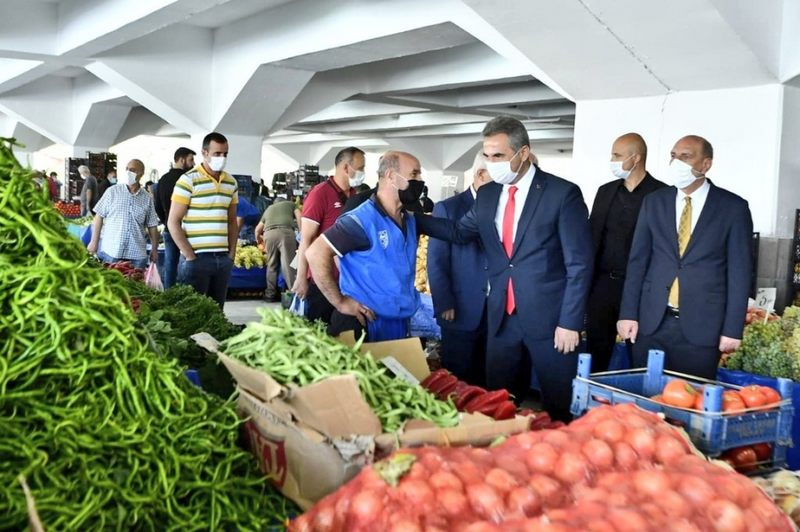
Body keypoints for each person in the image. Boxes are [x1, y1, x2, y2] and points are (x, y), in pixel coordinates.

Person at [417, 116, 593, 421]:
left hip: (551, 323)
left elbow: (579, 264)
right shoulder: (488, 195)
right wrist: (410, 218)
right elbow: (459, 232)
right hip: (502, 320)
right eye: (486, 155)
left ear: (523, 153)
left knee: (558, 404)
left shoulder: (561, 194)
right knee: (500, 401)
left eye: (498, 156)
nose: (491, 162)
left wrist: (570, 322)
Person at [617, 135, 753, 379]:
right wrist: (628, 313)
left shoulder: (732, 208)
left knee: (690, 402)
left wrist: (733, 329)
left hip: (702, 327)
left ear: (706, 164)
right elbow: (638, 262)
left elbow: (740, 273)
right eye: (673, 156)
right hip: (651, 322)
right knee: (645, 401)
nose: (676, 162)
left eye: (686, 156)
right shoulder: (654, 202)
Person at [306, 151, 427, 341]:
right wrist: (340, 302)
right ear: (391, 176)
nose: (420, 180)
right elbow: (315, 252)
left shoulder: (408, 218)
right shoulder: (361, 220)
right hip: (364, 321)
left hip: (397, 320)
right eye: (414, 174)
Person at [586, 133, 667, 372]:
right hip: (602, 286)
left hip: (641, 289)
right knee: (596, 352)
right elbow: (592, 237)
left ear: (636, 157)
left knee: (638, 353)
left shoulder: (661, 195)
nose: (612, 160)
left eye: (617, 155)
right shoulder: (605, 192)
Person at [427, 150, 491, 385]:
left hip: (494, 310)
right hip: (460, 308)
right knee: (458, 378)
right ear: (481, 175)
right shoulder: (449, 208)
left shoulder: (502, 207)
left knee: (487, 377)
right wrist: (444, 301)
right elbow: (437, 260)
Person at [292, 147, 362, 323]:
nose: (363, 173)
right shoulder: (320, 193)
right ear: (346, 168)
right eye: (360, 168)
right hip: (321, 280)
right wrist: (301, 278)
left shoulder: (354, 196)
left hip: (346, 282)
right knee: (318, 330)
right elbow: (306, 239)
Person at [168, 133, 238, 309]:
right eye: (217, 154)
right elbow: (173, 222)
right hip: (197, 259)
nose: (221, 158)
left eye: (225, 154)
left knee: (216, 313)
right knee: (193, 314)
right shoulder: (188, 180)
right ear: (204, 153)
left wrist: (231, 255)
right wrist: (189, 255)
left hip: (222, 260)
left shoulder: (231, 183)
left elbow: (232, 222)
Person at [87, 159, 159, 269]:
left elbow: (152, 226)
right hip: (112, 250)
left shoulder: (147, 198)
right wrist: (94, 242)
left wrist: (154, 249)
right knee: (110, 284)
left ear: (141, 173)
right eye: (127, 169)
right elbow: (99, 216)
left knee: (135, 285)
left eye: (132, 170)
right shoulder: (112, 192)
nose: (128, 172)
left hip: (136, 254)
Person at [154, 147, 196, 289]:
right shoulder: (188, 180)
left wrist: (167, 221)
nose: (194, 164)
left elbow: (157, 205)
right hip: (187, 230)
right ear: (182, 160)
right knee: (190, 262)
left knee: (170, 264)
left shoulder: (163, 179)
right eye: (191, 160)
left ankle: (169, 294)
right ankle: (188, 292)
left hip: (168, 229)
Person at [255, 198, 302, 302]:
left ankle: (270, 294)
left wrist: (258, 240)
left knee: (271, 264)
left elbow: (258, 229)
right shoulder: (291, 204)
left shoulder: (269, 208)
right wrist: (301, 232)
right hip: (285, 233)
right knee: (288, 264)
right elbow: (299, 217)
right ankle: (294, 293)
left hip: (268, 233)